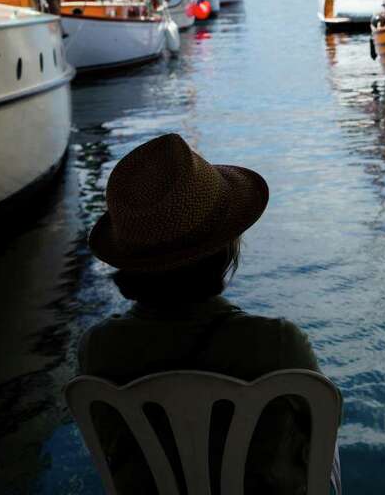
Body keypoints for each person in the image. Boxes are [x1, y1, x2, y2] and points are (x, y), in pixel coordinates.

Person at [78, 134, 341, 494]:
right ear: (225, 248)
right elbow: (322, 431)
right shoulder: (278, 345)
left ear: (130, 261)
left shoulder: (98, 350)